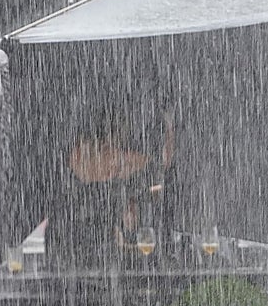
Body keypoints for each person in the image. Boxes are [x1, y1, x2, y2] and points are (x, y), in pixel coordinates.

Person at [48, 107, 175, 266]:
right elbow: (161, 164)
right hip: (81, 246)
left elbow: (159, 166)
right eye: (122, 133)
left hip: (75, 249)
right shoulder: (117, 160)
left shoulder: (84, 161)